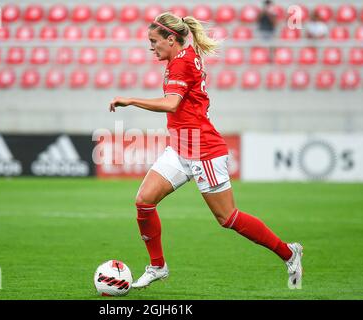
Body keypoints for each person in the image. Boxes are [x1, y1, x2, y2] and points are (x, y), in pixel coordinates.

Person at [109, 12, 303, 290]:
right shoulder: (180, 58)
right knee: (144, 200)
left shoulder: (181, 64)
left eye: (154, 41)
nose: (151, 47)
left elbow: (171, 104)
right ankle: (157, 266)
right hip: (180, 147)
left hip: (203, 150)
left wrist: (130, 100)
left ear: (171, 39)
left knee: (228, 218)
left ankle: (289, 252)